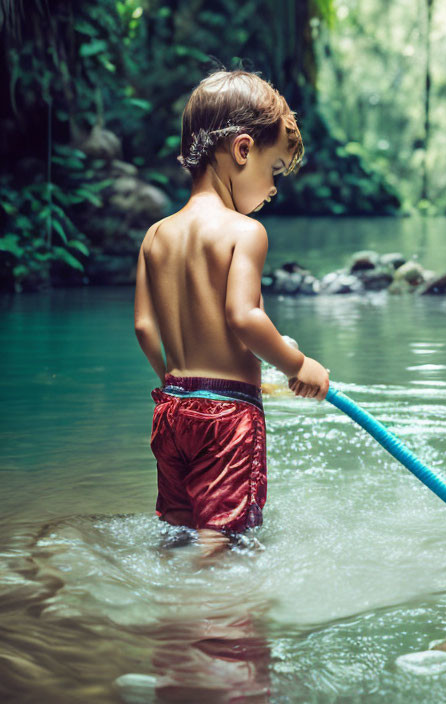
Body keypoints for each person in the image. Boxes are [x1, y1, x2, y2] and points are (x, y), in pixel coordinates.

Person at [133, 69, 329, 559]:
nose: (273, 190)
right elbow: (242, 317)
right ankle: (204, 615)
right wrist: (297, 365)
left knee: (179, 528)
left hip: (172, 409)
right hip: (228, 415)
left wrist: (178, 381)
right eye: (275, 170)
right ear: (242, 150)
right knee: (223, 539)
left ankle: (168, 619)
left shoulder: (155, 235)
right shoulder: (245, 232)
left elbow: (143, 327)